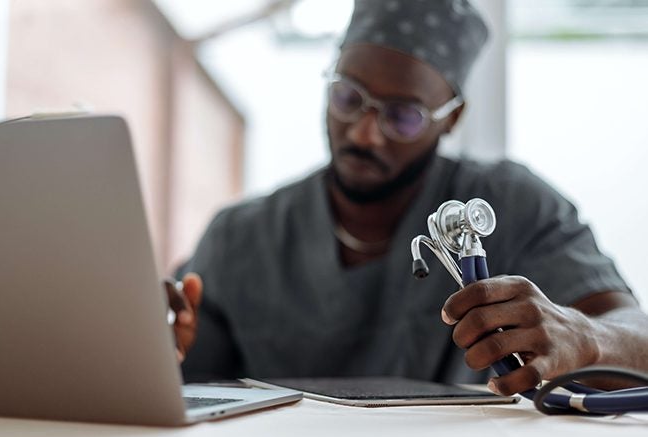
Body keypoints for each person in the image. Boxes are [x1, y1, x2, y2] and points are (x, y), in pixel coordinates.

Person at [171, 0, 648, 396]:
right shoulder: (238, 239)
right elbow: (190, 383)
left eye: (403, 116)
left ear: (452, 118)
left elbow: (637, 338)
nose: (364, 133)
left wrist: (586, 338)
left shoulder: (512, 206)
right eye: (348, 97)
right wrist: (158, 347)